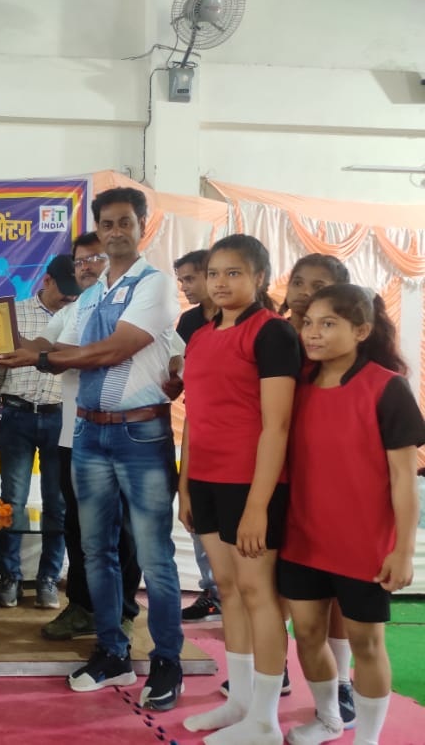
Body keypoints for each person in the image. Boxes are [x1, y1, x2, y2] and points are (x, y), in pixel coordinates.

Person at [0, 188, 184, 712]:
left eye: (125, 222)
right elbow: (55, 345)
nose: (116, 231)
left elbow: (115, 349)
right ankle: (112, 652)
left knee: (153, 554)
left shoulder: (154, 284)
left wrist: (44, 361)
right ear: (98, 230)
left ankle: (167, 660)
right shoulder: (93, 293)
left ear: (142, 226)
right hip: (87, 434)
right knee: (95, 551)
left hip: (140, 434)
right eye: (107, 223)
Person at [281, 284, 424, 745]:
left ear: (361, 331)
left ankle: (369, 738)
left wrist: (402, 550)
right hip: (302, 537)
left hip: (362, 544)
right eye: (309, 323)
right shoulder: (296, 384)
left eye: (328, 324)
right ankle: (328, 719)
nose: (313, 333)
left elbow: (404, 479)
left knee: (367, 643)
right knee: (306, 634)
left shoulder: (387, 387)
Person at [178, 235, 301, 744]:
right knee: (227, 590)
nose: (220, 283)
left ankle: (265, 720)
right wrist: (186, 486)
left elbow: (277, 426)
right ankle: (242, 702)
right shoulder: (200, 335)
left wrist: (257, 505)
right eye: (214, 273)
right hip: (205, 480)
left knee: (257, 593)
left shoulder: (272, 333)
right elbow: (195, 416)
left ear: (259, 278)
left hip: (251, 484)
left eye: (234, 273)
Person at [38, 232, 141, 642]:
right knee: (77, 528)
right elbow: (42, 347)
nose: (85, 267)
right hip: (73, 437)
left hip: (122, 437)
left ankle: (124, 610)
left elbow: (174, 355)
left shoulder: (136, 303)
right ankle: (81, 607)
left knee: (123, 529)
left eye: (94, 258)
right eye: (79, 261)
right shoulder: (74, 308)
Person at [0, 255, 79, 609]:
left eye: (75, 294)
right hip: (16, 416)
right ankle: (10, 577)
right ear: (46, 281)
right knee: (13, 501)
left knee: (58, 503)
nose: (70, 298)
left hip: (60, 419)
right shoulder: (13, 315)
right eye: (64, 291)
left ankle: (48, 578)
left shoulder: (79, 317)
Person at [173, 249, 223, 624]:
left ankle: (235, 593)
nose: (185, 287)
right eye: (182, 281)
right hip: (199, 423)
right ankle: (213, 592)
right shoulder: (189, 321)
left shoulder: (243, 319)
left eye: (190, 279)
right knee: (196, 514)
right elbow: (177, 371)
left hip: (236, 431)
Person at [279, 254, 350, 333]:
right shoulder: (272, 331)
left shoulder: (341, 338)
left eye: (318, 287)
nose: (304, 292)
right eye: (298, 283)